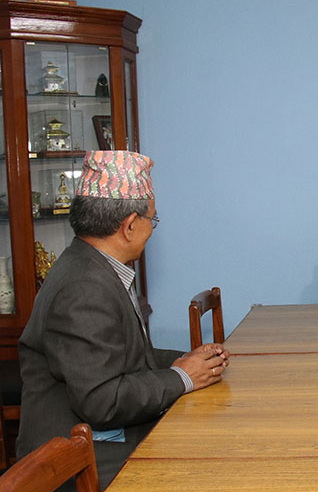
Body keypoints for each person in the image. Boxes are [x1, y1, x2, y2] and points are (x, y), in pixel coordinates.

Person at [17, 150, 231, 490]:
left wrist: (187, 360)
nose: (152, 230)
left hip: (101, 438)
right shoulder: (84, 287)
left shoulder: (93, 265)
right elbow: (103, 402)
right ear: (130, 225)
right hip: (74, 460)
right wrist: (182, 377)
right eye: (152, 220)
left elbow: (121, 355)